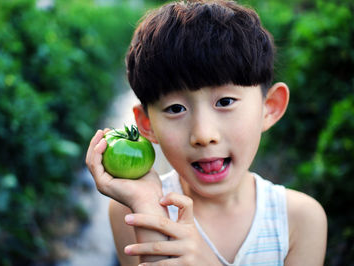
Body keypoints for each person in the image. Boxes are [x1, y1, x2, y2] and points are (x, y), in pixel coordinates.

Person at [86, 0, 327, 265]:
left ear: (269, 108)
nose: (203, 134)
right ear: (147, 125)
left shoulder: (299, 220)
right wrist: (146, 205)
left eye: (225, 102)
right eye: (176, 108)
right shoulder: (130, 210)